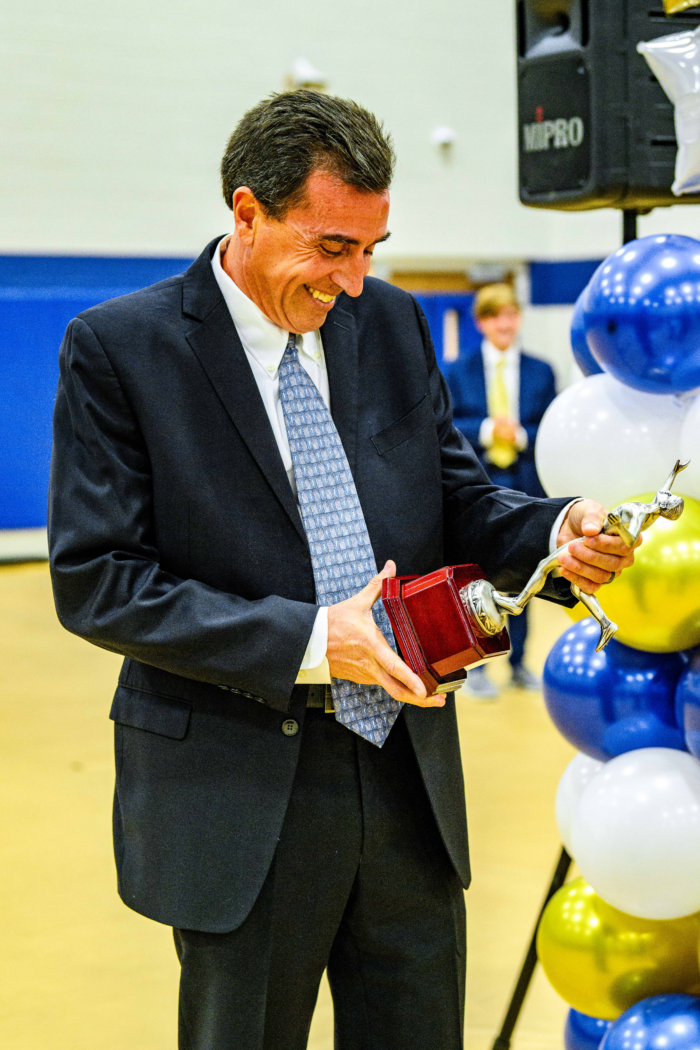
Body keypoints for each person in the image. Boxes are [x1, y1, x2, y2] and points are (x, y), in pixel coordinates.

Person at [48, 91, 636, 1050]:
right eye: (330, 248)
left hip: (406, 778)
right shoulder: (123, 350)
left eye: (373, 248)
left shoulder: (390, 323)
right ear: (247, 214)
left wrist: (555, 531)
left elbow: (460, 501)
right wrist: (321, 641)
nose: (355, 280)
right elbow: (100, 579)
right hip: (240, 796)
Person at [444, 284, 557, 698]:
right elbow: (449, 427)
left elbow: (555, 426)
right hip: (477, 485)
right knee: (475, 581)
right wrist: (491, 429)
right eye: (495, 316)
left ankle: (520, 663)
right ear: (481, 323)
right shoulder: (457, 372)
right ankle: (474, 667)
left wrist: (523, 434)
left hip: (525, 485)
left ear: (519, 318)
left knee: (525, 577)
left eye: (510, 314)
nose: (504, 323)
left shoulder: (542, 371)